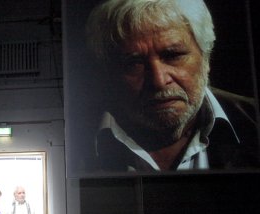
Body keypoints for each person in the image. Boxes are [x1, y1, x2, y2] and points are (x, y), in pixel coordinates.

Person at [85, 0, 259, 172]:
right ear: (108, 71)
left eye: (173, 55)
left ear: (206, 58)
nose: (159, 81)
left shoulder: (253, 120)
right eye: (133, 63)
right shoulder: (77, 138)